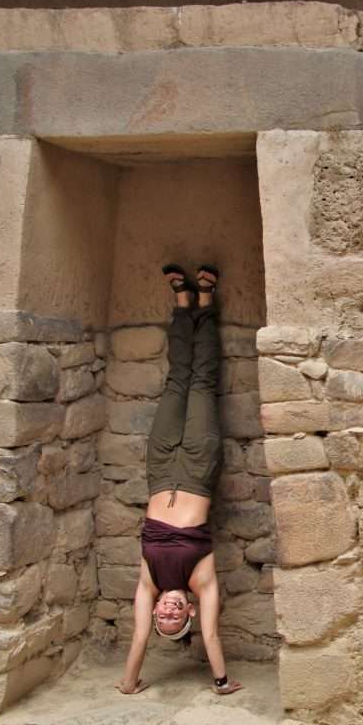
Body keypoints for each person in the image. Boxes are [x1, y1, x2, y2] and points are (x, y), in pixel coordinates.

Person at [116, 264, 242, 696]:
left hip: (160, 470)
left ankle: (181, 304)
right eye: (176, 617)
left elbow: (136, 640)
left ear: (154, 613)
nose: (168, 611)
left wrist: (129, 683)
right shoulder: (200, 582)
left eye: (162, 617)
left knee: (175, 384)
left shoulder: (148, 581)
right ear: (188, 612)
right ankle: (205, 303)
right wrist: (221, 682)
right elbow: (211, 637)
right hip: (198, 470)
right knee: (202, 384)